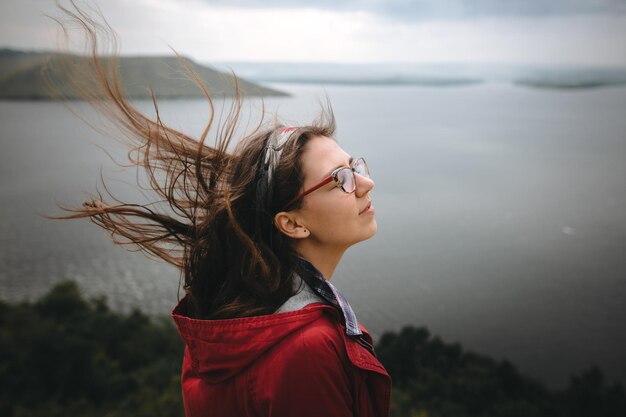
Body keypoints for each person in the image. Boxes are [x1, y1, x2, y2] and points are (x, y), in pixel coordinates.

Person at [52, 3, 391, 416]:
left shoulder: (226, 324)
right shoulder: (308, 348)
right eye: (341, 178)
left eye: (356, 166)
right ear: (291, 222)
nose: (366, 183)